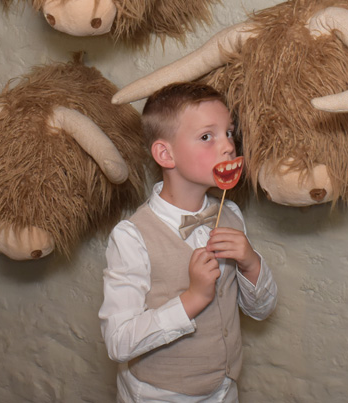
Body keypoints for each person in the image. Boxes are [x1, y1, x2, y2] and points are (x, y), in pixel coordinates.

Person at [100, 82, 277, 402]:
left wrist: (251, 263)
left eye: (229, 133)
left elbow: (262, 311)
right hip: (160, 394)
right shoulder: (132, 237)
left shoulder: (231, 214)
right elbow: (117, 342)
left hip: (224, 389)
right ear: (165, 154)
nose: (227, 147)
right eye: (207, 136)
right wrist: (193, 298)